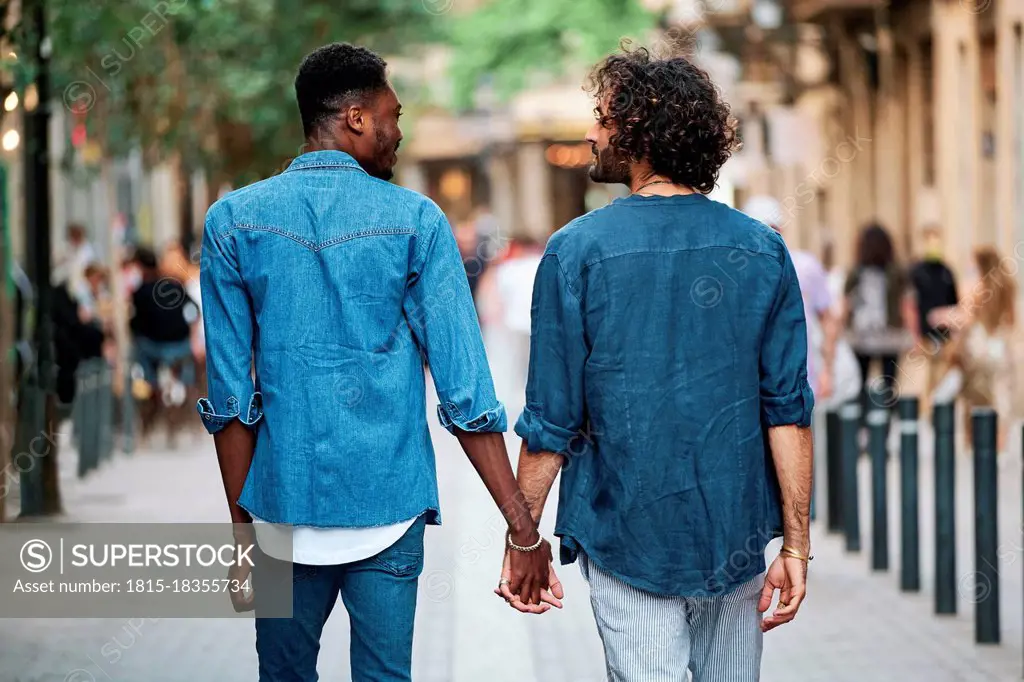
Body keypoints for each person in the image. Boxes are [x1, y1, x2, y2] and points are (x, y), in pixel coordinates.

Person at [196, 43, 552, 682]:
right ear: (356, 118)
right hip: (389, 506)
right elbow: (466, 394)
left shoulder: (232, 221)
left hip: (279, 507)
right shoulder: (416, 220)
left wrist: (244, 538)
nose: (399, 132)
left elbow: (228, 399)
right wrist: (521, 529)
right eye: (393, 115)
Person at [496, 47, 814, 682]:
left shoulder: (575, 252)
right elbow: (788, 411)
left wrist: (522, 539)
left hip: (628, 535)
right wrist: (797, 545)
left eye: (603, 119)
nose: (590, 133)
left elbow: (552, 420)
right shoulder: (762, 249)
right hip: (737, 537)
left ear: (639, 132)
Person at [741, 196, 837, 401]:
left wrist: (827, 371)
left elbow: (828, 319)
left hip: (800, 383)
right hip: (751, 388)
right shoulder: (738, 273)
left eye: (770, 228)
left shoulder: (805, 266)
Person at [938, 247, 1016, 449]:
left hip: (991, 374)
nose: (966, 279)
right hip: (975, 381)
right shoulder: (974, 304)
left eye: (972, 272)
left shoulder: (990, 302)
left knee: (994, 415)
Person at [844, 223, 916, 411]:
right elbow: (907, 305)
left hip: (861, 334)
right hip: (890, 335)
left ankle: (862, 422)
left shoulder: (856, 272)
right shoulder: (896, 271)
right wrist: (913, 335)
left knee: (859, 382)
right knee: (889, 385)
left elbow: (846, 303)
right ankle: (885, 423)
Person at [130, 246, 197, 442]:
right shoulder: (173, 286)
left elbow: (135, 324)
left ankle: (148, 387)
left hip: (154, 349)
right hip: (180, 346)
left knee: (139, 359)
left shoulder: (140, 292)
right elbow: (193, 311)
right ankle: (182, 394)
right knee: (186, 369)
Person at [908, 226, 959, 411]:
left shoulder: (947, 272)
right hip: (924, 336)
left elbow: (955, 304)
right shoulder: (917, 272)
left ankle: (937, 414)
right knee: (923, 379)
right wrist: (914, 335)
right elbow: (910, 304)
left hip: (945, 337)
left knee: (942, 380)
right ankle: (925, 414)